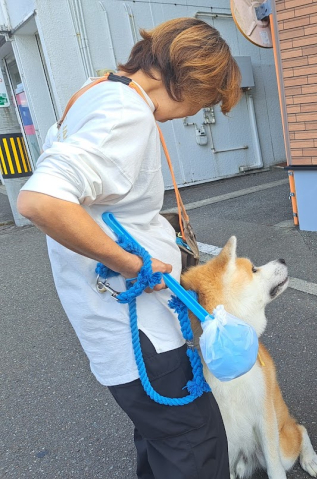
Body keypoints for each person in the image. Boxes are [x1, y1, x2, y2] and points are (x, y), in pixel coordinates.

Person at [18, 18, 241, 478]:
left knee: (160, 439)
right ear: (191, 81)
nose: (197, 114)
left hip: (113, 317)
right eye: (206, 102)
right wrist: (132, 262)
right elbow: (41, 200)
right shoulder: (128, 114)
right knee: (194, 442)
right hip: (136, 323)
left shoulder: (97, 90)